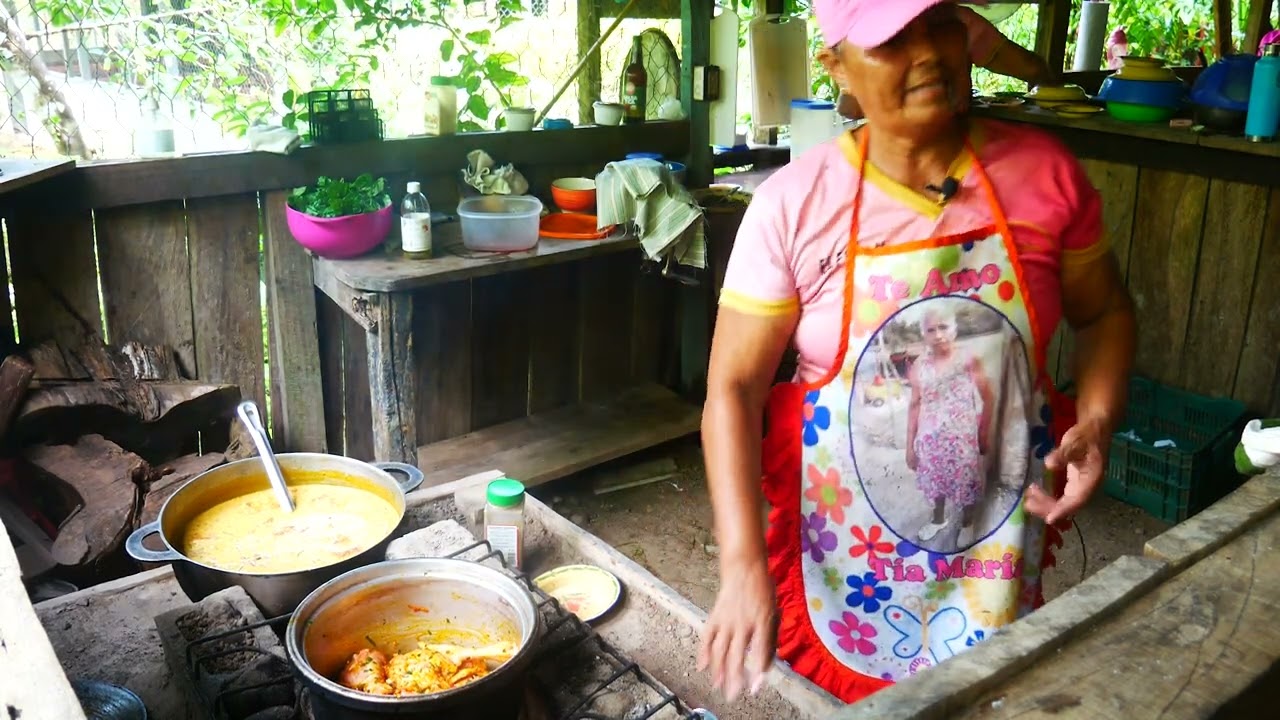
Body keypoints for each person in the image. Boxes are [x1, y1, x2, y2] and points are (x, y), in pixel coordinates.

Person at [697, 0, 1135, 705]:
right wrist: (743, 565)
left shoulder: (1046, 176)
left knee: (985, 696)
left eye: (939, 24)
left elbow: (1106, 310)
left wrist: (1100, 415)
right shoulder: (793, 205)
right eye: (892, 37)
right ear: (836, 64)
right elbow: (733, 393)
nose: (926, 52)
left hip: (994, 535)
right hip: (846, 551)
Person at [836, 3, 1054, 120]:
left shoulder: (861, 31)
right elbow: (1031, 67)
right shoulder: (958, 20)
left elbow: (849, 108)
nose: (928, 54)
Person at [906, 306, 994, 547]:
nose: (938, 335)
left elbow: (988, 396)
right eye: (931, 330)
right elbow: (914, 405)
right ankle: (937, 520)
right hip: (931, 440)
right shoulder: (918, 367)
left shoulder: (968, 359)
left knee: (966, 482)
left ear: (954, 329)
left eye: (943, 327)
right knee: (936, 482)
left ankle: (967, 523)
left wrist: (984, 433)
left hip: (962, 438)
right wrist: (909, 447)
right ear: (924, 334)